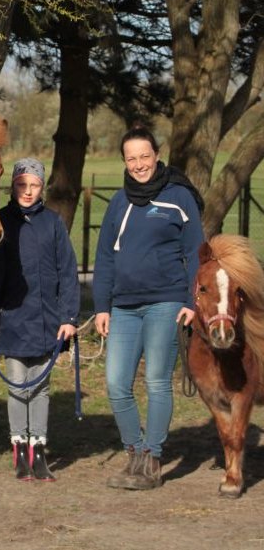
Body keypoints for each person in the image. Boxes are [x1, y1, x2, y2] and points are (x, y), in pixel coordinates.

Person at [93, 126, 204, 491]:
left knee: (157, 380)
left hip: (166, 301)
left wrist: (192, 302)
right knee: (115, 383)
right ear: (124, 161)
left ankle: (153, 459)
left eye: (144, 156)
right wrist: (102, 307)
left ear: (156, 155)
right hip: (123, 306)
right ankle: (135, 452)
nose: (139, 164)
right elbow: (105, 256)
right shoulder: (119, 202)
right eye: (131, 158)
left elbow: (195, 253)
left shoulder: (178, 198)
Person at [0, 158, 79, 481]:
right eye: (22, 185)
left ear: (42, 187)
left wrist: (69, 316)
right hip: (13, 319)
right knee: (18, 387)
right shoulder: (2, 223)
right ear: (12, 186)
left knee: (40, 388)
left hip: (48, 321)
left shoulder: (53, 224)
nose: (28, 191)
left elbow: (68, 272)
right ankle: (19, 450)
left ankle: (39, 451)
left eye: (34, 185)